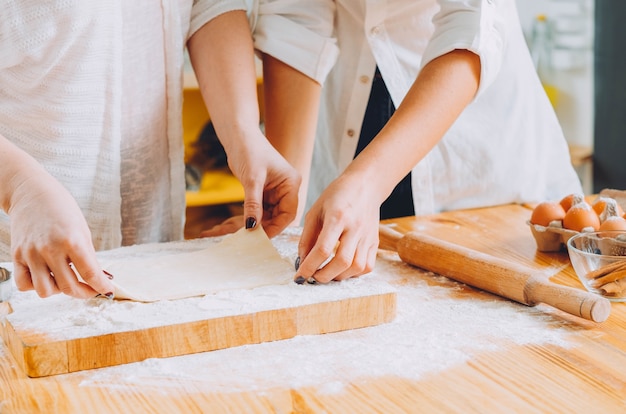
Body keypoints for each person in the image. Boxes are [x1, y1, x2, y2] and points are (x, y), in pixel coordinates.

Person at [247, 0, 585, 284]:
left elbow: (472, 23)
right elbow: (295, 18)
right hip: (344, 125)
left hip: (466, 137)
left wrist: (367, 183)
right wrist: (287, 197)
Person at [0, 1, 302, 299]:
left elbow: (206, 5)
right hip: (18, 262)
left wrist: (242, 131)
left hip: (151, 237)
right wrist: (20, 186)